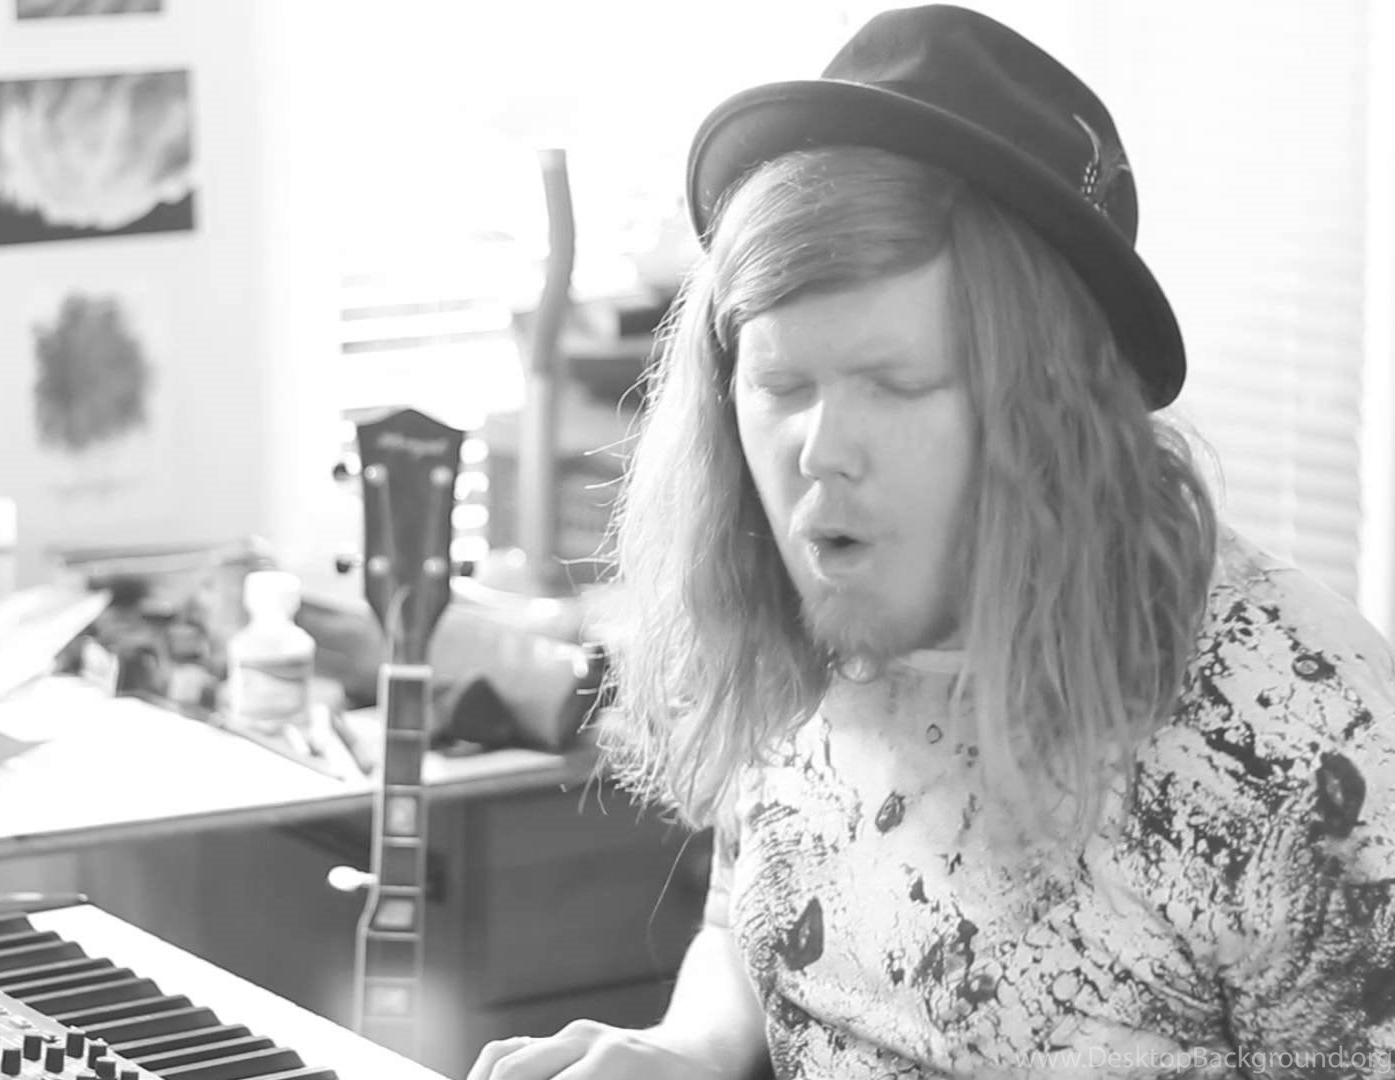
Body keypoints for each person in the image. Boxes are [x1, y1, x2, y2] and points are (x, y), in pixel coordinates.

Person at [466, 5, 1395, 1079]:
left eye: (895, 383)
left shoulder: (1293, 733)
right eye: (781, 385)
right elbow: (753, 905)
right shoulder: (814, 604)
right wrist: (691, 1048)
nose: (820, 451)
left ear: (1052, 408)